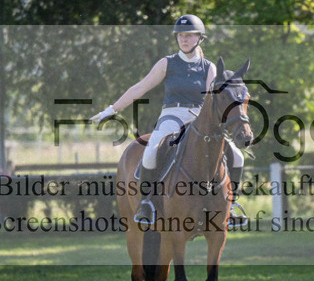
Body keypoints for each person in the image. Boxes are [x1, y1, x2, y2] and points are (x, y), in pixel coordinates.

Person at [89, 14, 247, 229]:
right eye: (181, 35)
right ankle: (146, 204)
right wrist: (112, 109)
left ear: (200, 38)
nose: (184, 39)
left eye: (189, 36)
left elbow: (213, 99)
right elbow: (140, 87)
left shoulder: (209, 68)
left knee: (237, 156)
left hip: (199, 118)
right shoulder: (167, 63)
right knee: (152, 149)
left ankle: (232, 203)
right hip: (172, 116)